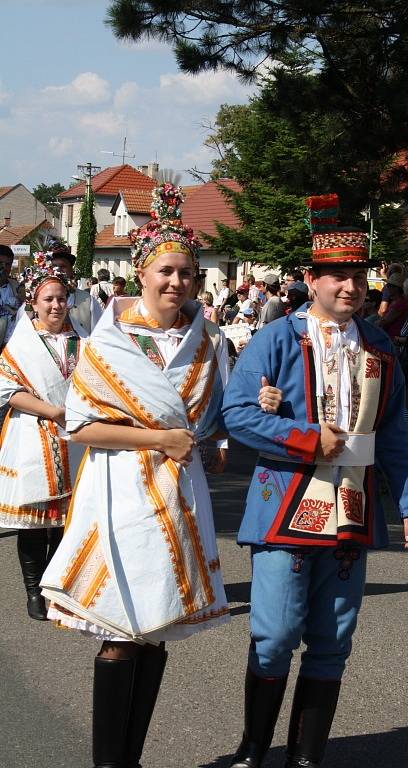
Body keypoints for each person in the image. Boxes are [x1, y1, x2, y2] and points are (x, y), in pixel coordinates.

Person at [40, 183, 280, 768]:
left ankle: (133, 758)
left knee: (157, 627)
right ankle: (109, 763)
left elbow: (221, 409)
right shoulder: (108, 344)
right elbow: (81, 428)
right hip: (120, 492)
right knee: (120, 632)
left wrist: (261, 404)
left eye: (188, 273)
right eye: (166, 271)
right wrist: (159, 439)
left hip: (178, 492)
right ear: (142, 274)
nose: (177, 282)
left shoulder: (207, 341)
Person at [222, 192, 408, 768]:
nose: (350, 287)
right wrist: (309, 438)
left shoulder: (379, 344)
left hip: (354, 504)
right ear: (310, 279)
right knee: (276, 632)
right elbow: (237, 414)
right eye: (336, 276)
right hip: (285, 502)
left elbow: (392, 433)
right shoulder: (276, 338)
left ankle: (306, 757)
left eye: (357, 277)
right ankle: (253, 750)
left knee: (334, 636)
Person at [0, 254, 87, 620]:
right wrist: (51, 410)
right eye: (48, 299)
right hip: (34, 436)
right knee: (36, 524)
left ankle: (56, 585)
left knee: (68, 523)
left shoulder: (82, 340)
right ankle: (34, 590)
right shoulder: (20, 343)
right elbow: (7, 388)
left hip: (78, 439)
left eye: (61, 298)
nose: (56, 305)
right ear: (33, 302)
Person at [49, 246, 102, 334]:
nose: (58, 270)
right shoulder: (38, 299)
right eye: (54, 266)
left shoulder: (89, 300)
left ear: (71, 271)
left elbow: (99, 333)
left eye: (63, 266)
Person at [0, 244, 25, 348]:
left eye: (8, 264)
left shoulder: (17, 287)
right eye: (0, 263)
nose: (4, 268)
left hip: (11, 347)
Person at [377, 272, 408, 339]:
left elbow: (385, 321)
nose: (387, 287)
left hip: (393, 339)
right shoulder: (395, 301)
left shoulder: (400, 303)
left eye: (389, 285)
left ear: (397, 288)